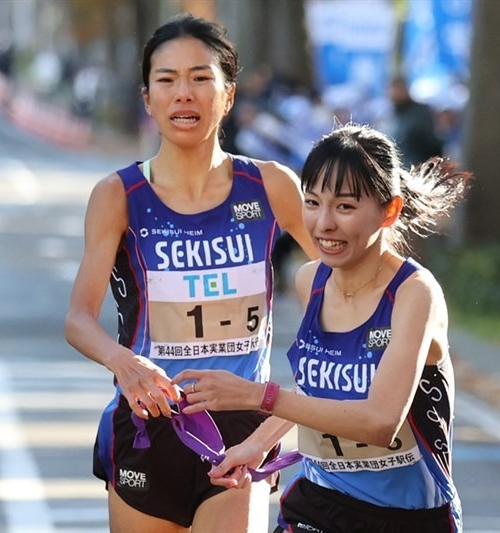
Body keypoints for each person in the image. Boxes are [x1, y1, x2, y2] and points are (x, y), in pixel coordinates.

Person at [64, 14, 316, 533]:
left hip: (242, 431)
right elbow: (79, 319)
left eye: (201, 78)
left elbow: (345, 282)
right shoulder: (118, 196)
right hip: (146, 428)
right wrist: (124, 363)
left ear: (228, 96)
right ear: (148, 98)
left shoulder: (270, 186)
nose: (185, 93)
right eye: (168, 80)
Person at [174, 123, 471, 533]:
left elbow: (380, 422)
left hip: (408, 518)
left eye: (345, 207)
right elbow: (316, 392)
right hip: (320, 503)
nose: (323, 224)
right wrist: (257, 446)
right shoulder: (310, 280)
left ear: (390, 210)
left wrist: (256, 395)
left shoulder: (414, 293)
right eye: (312, 203)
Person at [388, 76, 444, 168]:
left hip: (417, 170)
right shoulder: (393, 115)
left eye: (397, 89)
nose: (394, 93)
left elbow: (432, 144)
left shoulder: (420, 113)